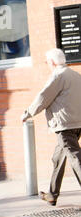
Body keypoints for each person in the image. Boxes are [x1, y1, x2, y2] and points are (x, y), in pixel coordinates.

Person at [21, 48, 81, 206]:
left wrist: (28, 113)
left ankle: (53, 194)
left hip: (64, 125)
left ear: (53, 62)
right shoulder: (75, 75)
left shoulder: (58, 75)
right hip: (76, 124)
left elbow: (43, 97)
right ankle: (52, 194)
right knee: (58, 158)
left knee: (75, 158)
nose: (47, 65)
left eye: (47, 62)